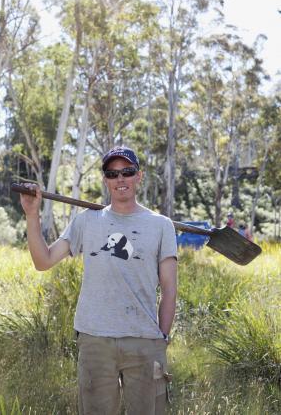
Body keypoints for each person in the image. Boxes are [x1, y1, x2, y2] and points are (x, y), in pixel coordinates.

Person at [20, 145, 178, 415]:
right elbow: (43, 261)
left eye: (127, 172)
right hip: (95, 341)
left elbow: (169, 288)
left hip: (143, 340)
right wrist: (32, 214)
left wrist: (160, 338)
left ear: (139, 176)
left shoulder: (161, 225)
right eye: (112, 174)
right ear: (105, 179)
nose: (120, 180)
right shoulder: (87, 221)